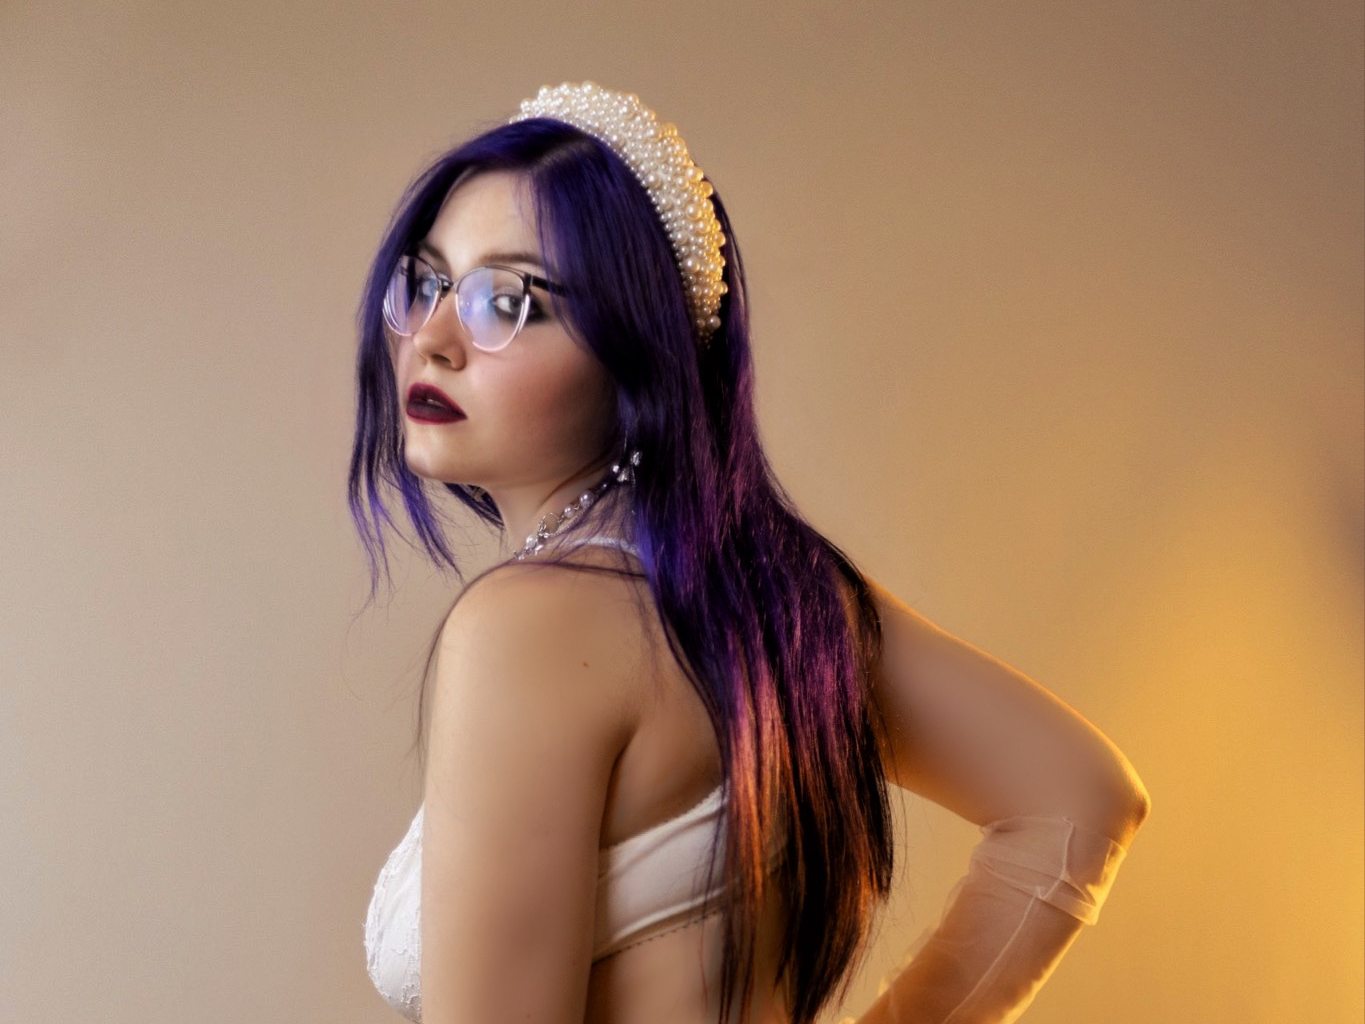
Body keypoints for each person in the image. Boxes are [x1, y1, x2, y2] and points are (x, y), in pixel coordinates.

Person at [354, 81, 1152, 1024]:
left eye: (507, 301)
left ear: (639, 350)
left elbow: (1081, 800)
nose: (433, 339)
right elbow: (1078, 796)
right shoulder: (785, 595)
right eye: (426, 282)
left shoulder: (523, 627)